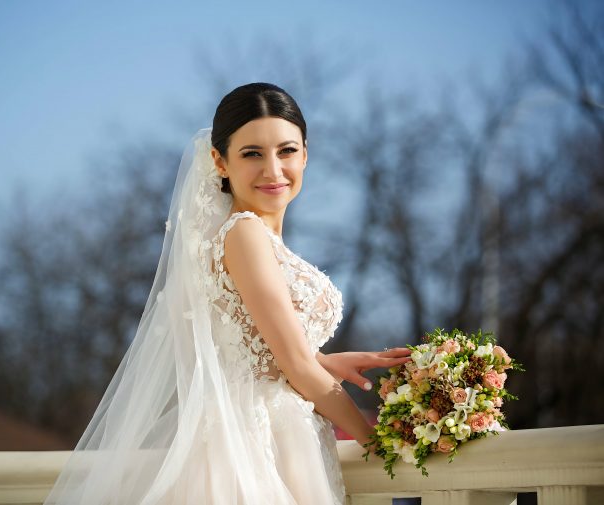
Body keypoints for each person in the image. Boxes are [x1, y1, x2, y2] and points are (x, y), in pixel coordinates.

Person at [43, 82, 411, 505]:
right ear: (219, 161)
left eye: (287, 151)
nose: (274, 170)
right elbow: (292, 364)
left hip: (279, 436)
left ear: (306, 154)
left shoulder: (253, 239)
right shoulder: (244, 234)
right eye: (252, 154)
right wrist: (380, 441)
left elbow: (255, 343)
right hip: (254, 445)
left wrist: (324, 360)